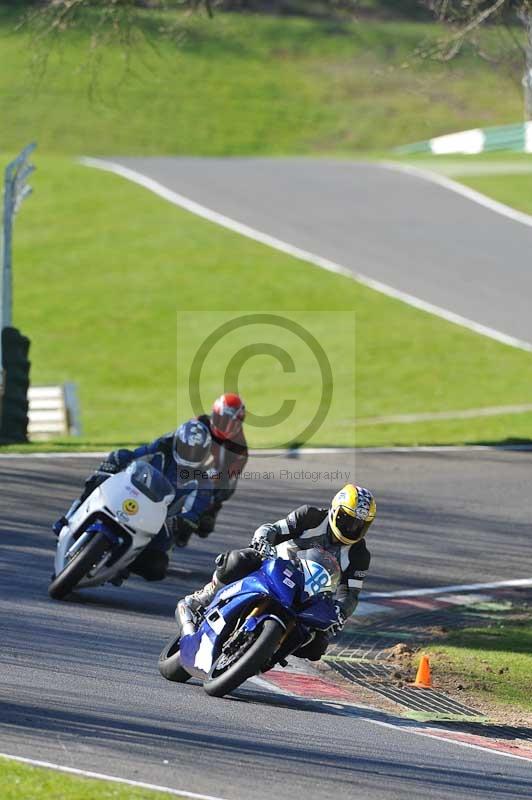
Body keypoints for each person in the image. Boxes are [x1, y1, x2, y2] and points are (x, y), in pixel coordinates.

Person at [177, 483, 376, 661]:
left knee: (318, 645)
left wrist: (341, 611)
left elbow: (350, 593)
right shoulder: (311, 516)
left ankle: (271, 651)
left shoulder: (359, 555)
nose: (352, 528)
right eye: (347, 520)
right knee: (239, 559)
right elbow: (273, 529)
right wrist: (263, 541)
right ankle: (205, 596)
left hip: (309, 593)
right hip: (277, 567)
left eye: (360, 525)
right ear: (335, 510)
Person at [53, 420, 214, 580]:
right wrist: (115, 461)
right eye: (186, 448)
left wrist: (182, 521)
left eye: (195, 452)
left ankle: (121, 566)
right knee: (98, 481)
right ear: (177, 443)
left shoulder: (202, 482)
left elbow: (194, 510)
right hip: (131, 497)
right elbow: (132, 457)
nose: (189, 454)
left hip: (158, 521)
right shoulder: (160, 450)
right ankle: (68, 518)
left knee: (156, 568)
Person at [195, 393, 248, 537]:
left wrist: (217, 479)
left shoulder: (239, 445)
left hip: (216, 479)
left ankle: (212, 509)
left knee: (205, 527)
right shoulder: (199, 423)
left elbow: (232, 474)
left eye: (234, 422)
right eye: (224, 420)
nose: (229, 426)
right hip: (189, 471)